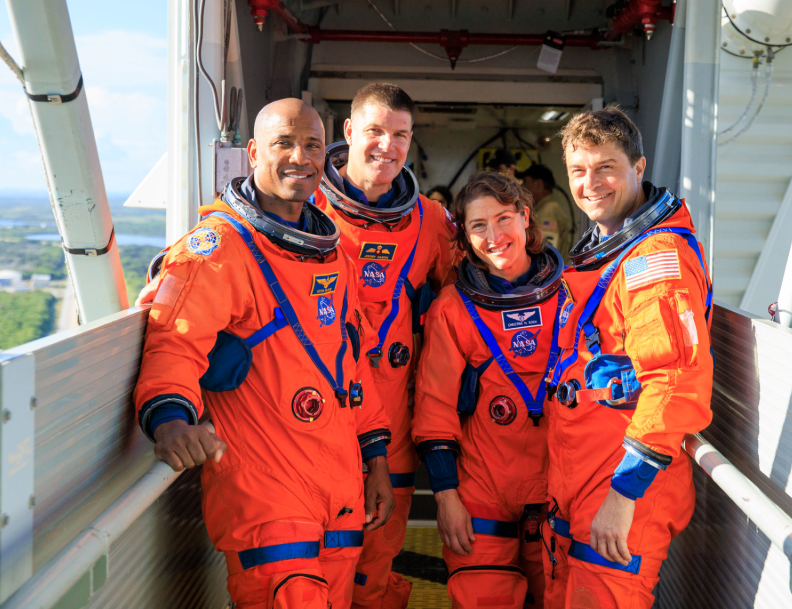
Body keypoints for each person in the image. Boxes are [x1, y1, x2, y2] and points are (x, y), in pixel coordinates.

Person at [134, 99, 395, 609]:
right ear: (253, 152)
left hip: (341, 489)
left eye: (313, 145)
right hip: (266, 495)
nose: (301, 156)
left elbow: (351, 364)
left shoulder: (332, 250)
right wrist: (169, 420)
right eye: (284, 143)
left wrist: (376, 459)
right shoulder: (219, 248)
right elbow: (175, 342)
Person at [543, 105, 713, 608]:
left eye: (605, 168)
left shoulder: (653, 259)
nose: (590, 183)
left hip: (621, 483)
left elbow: (675, 380)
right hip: (585, 473)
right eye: (578, 171)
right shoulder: (615, 250)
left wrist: (624, 494)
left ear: (638, 168)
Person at [313, 83, 460, 609]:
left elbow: (468, 308)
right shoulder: (300, 212)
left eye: (400, 135)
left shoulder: (432, 224)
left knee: (374, 569)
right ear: (349, 132)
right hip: (313, 422)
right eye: (375, 131)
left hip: (393, 425)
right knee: (312, 571)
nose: (387, 146)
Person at [412, 172, 565, 608]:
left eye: (503, 219)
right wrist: (445, 496)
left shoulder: (572, 295)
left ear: (525, 217)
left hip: (558, 488)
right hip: (483, 489)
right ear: (464, 235)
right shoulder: (452, 310)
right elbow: (435, 408)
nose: (494, 235)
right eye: (478, 226)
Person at [518, 163, 574, 257]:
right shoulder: (544, 208)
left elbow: (547, 252)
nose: (522, 187)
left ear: (538, 184)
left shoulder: (549, 210)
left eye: (525, 182)